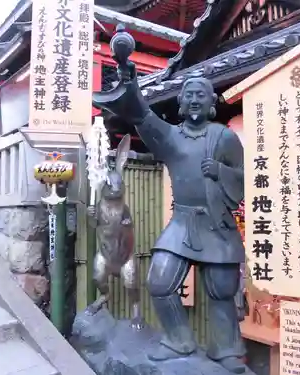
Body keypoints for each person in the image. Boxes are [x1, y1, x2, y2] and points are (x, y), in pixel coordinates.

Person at [92, 30, 246, 374]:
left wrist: (220, 170)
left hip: (216, 224)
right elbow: (144, 119)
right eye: (188, 94)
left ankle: (226, 349)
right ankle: (179, 339)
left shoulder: (224, 137)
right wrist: (128, 77)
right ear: (181, 102)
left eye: (200, 95)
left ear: (211, 103)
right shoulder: (173, 137)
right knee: (160, 282)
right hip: (183, 223)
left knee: (221, 290)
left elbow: (244, 177)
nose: (194, 99)